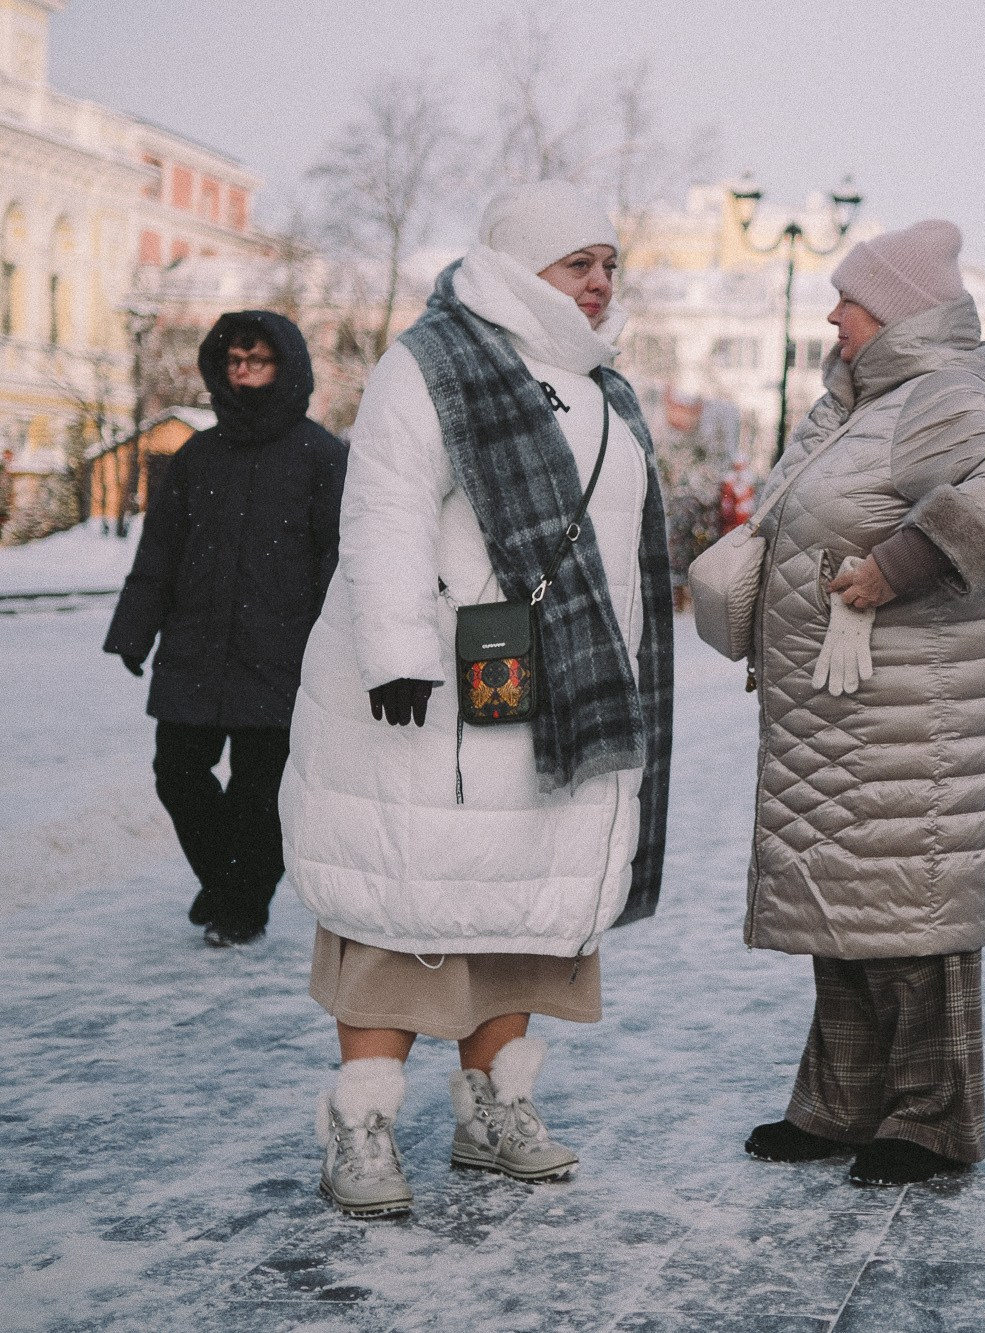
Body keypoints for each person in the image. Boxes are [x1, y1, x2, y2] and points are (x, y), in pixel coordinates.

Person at [279, 180, 675, 1218]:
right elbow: (385, 506)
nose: (597, 283)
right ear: (514, 264)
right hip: (430, 693)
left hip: (555, 697)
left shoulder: (604, 388)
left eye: (607, 264)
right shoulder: (435, 361)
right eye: (574, 263)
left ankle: (491, 1109)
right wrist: (398, 648)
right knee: (404, 901)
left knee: (516, 911)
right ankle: (360, 1123)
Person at [737, 219, 985, 1188]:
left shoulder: (938, 397)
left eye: (849, 300)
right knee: (845, 907)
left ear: (898, 311)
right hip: (842, 706)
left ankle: (931, 1118)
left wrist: (898, 565)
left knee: (911, 914)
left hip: (922, 707)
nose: (830, 315)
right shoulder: (855, 405)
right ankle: (839, 1104)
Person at [104, 312, 346, 948]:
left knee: (259, 791)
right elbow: (158, 552)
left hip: (282, 654)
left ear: (285, 367)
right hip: (197, 649)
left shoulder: (322, 458)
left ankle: (240, 910)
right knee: (177, 771)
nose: (244, 374)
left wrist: (333, 647)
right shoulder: (196, 456)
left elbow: (338, 562)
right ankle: (230, 886)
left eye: (258, 362)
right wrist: (134, 631)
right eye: (234, 362)